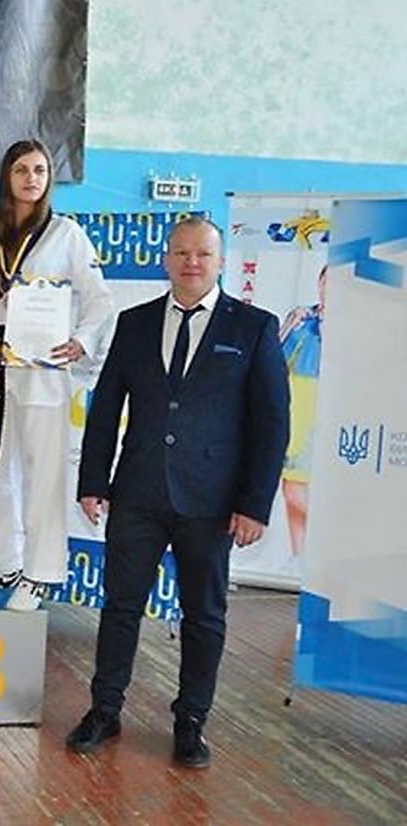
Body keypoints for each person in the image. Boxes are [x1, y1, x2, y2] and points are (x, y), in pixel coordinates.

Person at [67, 216, 290, 768]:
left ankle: (191, 720)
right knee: (120, 607)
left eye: (203, 254)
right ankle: (104, 710)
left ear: (221, 262)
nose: (192, 263)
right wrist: (93, 481)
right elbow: (106, 407)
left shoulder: (254, 328)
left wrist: (254, 504)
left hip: (212, 503)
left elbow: (272, 424)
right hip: (137, 493)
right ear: (166, 259)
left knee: (204, 615)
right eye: (182, 253)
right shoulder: (134, 322)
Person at [0, 139, 113, 610]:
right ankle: (4, 562)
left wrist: (82, 340)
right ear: (6, 178)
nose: (31, 179)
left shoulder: (66, 234)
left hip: (43, 367)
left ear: (50, 179)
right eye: (21, 170)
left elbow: (99, 301)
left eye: (39, 170)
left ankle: (40, 571)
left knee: (43, 474)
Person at [277, 265, 325, 557]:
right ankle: (298, 558)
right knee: (289, 489)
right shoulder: (303, 317)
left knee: (296, 488)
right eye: (325, 282)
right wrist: (288, 325)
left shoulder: (349, 323)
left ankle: (327, 538)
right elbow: (272, 355)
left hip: (316, 407)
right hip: (291, 404)